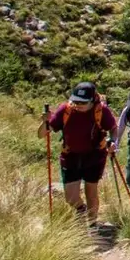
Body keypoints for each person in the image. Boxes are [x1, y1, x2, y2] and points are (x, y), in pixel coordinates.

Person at [44, 81, 118, 226]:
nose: (78, 104)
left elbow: (113, 128)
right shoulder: (66, 110)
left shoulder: (101, 110)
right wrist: (44, 122)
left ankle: (92, 225)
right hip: (70, 156)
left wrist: (113, 140)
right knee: (70, 198)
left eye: (83, 102)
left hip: (94, 156)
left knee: (91, 191)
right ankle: (81, 209)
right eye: (76, 101)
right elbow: (42, 134)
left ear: (93, 100)